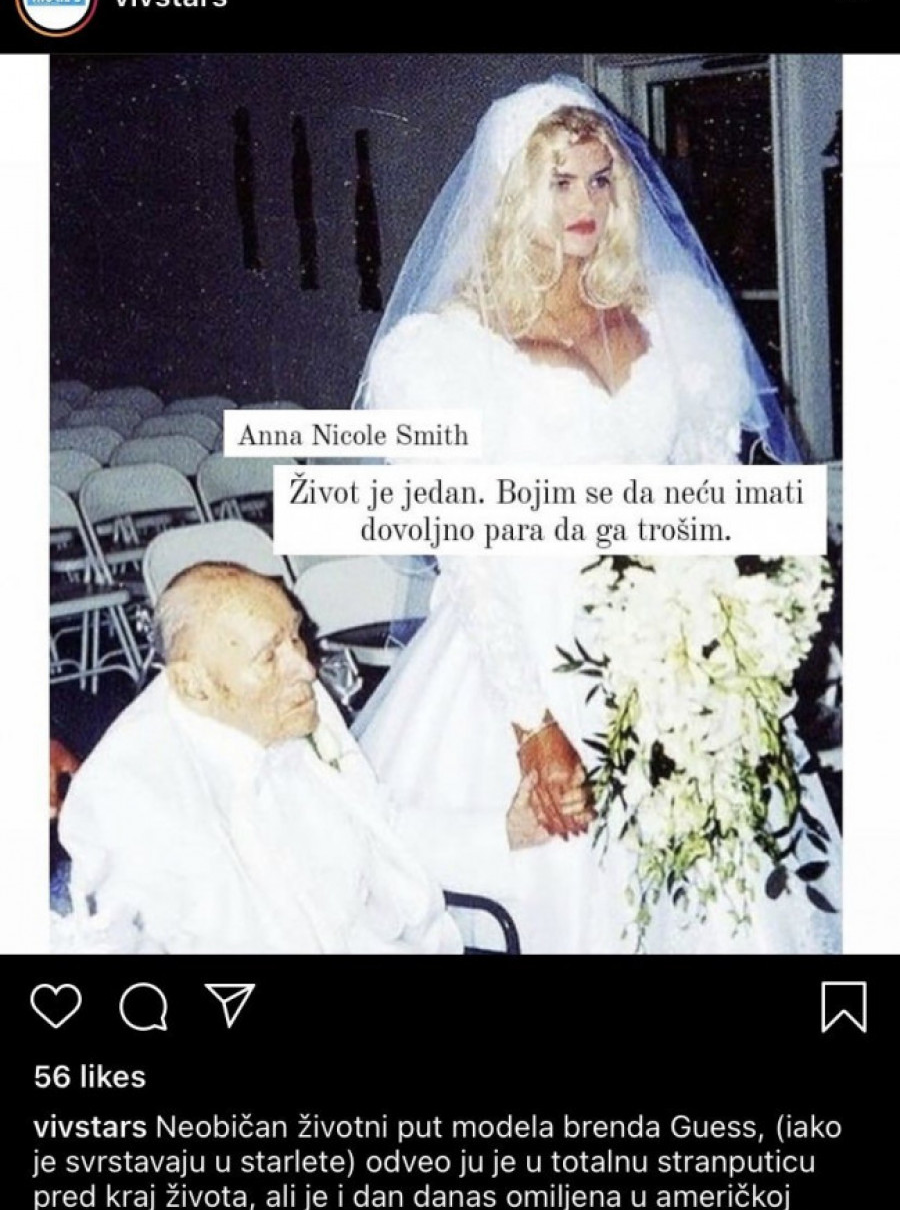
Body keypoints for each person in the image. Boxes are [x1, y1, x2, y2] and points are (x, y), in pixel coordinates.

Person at [356, 76, 841, 954]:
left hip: (673, 642)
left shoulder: (675, 319)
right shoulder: (446, 352)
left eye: (600, 178)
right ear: (513, 194)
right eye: (559, 181)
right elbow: (470, 556)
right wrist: (532, 726)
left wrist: (732, 628)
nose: (585, 202)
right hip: (530, 645)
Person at [57, 562, 553, 954]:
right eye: (269, 656)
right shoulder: (129, 792)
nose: (306, 668)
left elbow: (380, 828)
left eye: (295, 636)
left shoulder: (295, 709)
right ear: (194, 685)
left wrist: (506, 832)